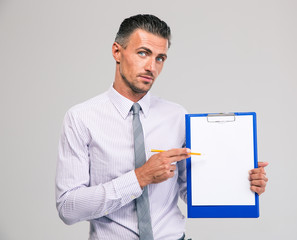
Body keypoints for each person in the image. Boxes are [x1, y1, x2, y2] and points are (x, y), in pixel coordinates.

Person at [55, 14, 268, 240]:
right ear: (117, 52)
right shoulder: (80, 118)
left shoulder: (177, 116)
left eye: (160, 58)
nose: (151, 67)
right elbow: (68, 208)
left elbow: (192, 192)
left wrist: (244, 184)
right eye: (143, 53)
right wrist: (139, 178)